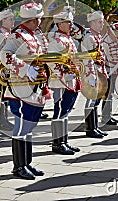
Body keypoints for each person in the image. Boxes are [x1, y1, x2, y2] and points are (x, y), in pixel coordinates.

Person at [0, 2, 48, 180]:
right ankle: (18, 166)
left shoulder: (34, 35)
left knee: (28, 127)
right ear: (34, 20)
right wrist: (26, 68)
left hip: (33, 88)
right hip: (19, 89)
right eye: (39, 18)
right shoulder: (17, 36)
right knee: (21, 127)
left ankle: (27, 163)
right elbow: (5, 55)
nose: (41, 21)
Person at [47, 10, 81, 155]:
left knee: (66, 111)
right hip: (60, 81)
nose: (71, 24)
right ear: (59, 23)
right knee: (60, 111)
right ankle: (57, 143)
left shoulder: (67, 38)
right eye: (68, 22)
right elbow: (52, 60)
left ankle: (64, 141)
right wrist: (64, 74)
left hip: (70, 79)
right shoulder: (56, 40)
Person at [81, 11, 109, 138]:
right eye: (99, 22)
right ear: (91, 23)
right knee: (91, 100)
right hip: (91, 72)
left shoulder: (97, 36)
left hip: (99, 71)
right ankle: (90, 128)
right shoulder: (89, 38)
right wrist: (91, 76)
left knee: (96, 100)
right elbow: (87, 58)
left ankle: (95, 126)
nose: (102, 24)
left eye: (102, 21)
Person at [0, 8, 15, 130]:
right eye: (10, 19)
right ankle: (2, 121)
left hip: (9, 69)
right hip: (1, 69)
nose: (13, 21)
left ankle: (5, 119)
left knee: (7, 95)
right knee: (1, 96)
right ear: (3, 20)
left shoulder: (10, 34)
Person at [101, 21, 118, 126]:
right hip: (109, 70)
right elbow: (106, 57)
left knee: (111, 94)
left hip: (116, 69)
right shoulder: (106, 40)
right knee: (107, 95)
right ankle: (105, 117)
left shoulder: (117, 39)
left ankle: (108, 115)